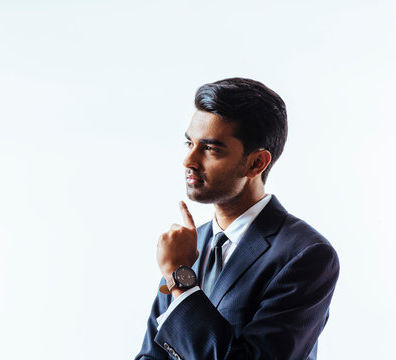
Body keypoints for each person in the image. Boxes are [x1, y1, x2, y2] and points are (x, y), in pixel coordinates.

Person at [136, 78, 339, 360]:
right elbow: (152, 354)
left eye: (210, 148)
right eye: (189, 143)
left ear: (256, 163)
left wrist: (180, 278)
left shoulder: (306, 255)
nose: (189, 161)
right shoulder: (186, 246)